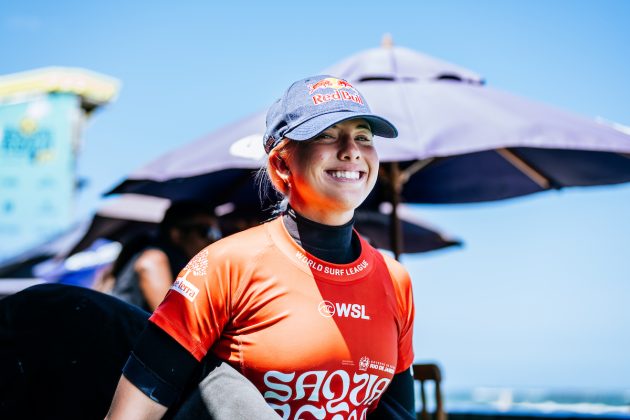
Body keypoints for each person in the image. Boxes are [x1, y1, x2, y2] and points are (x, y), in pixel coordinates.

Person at [106, 75, 416, 419]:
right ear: (282, 163)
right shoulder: (225, 264)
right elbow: (130, 414)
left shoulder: (394, 280)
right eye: (327, 135)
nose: (351, 150)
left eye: (363, 137)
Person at [99, 200, 220, 312]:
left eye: (217, 233)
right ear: (176, 234)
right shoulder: (156, 257)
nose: (213, 239)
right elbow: (172, 321)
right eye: (206, 231)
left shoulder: (180, 265)